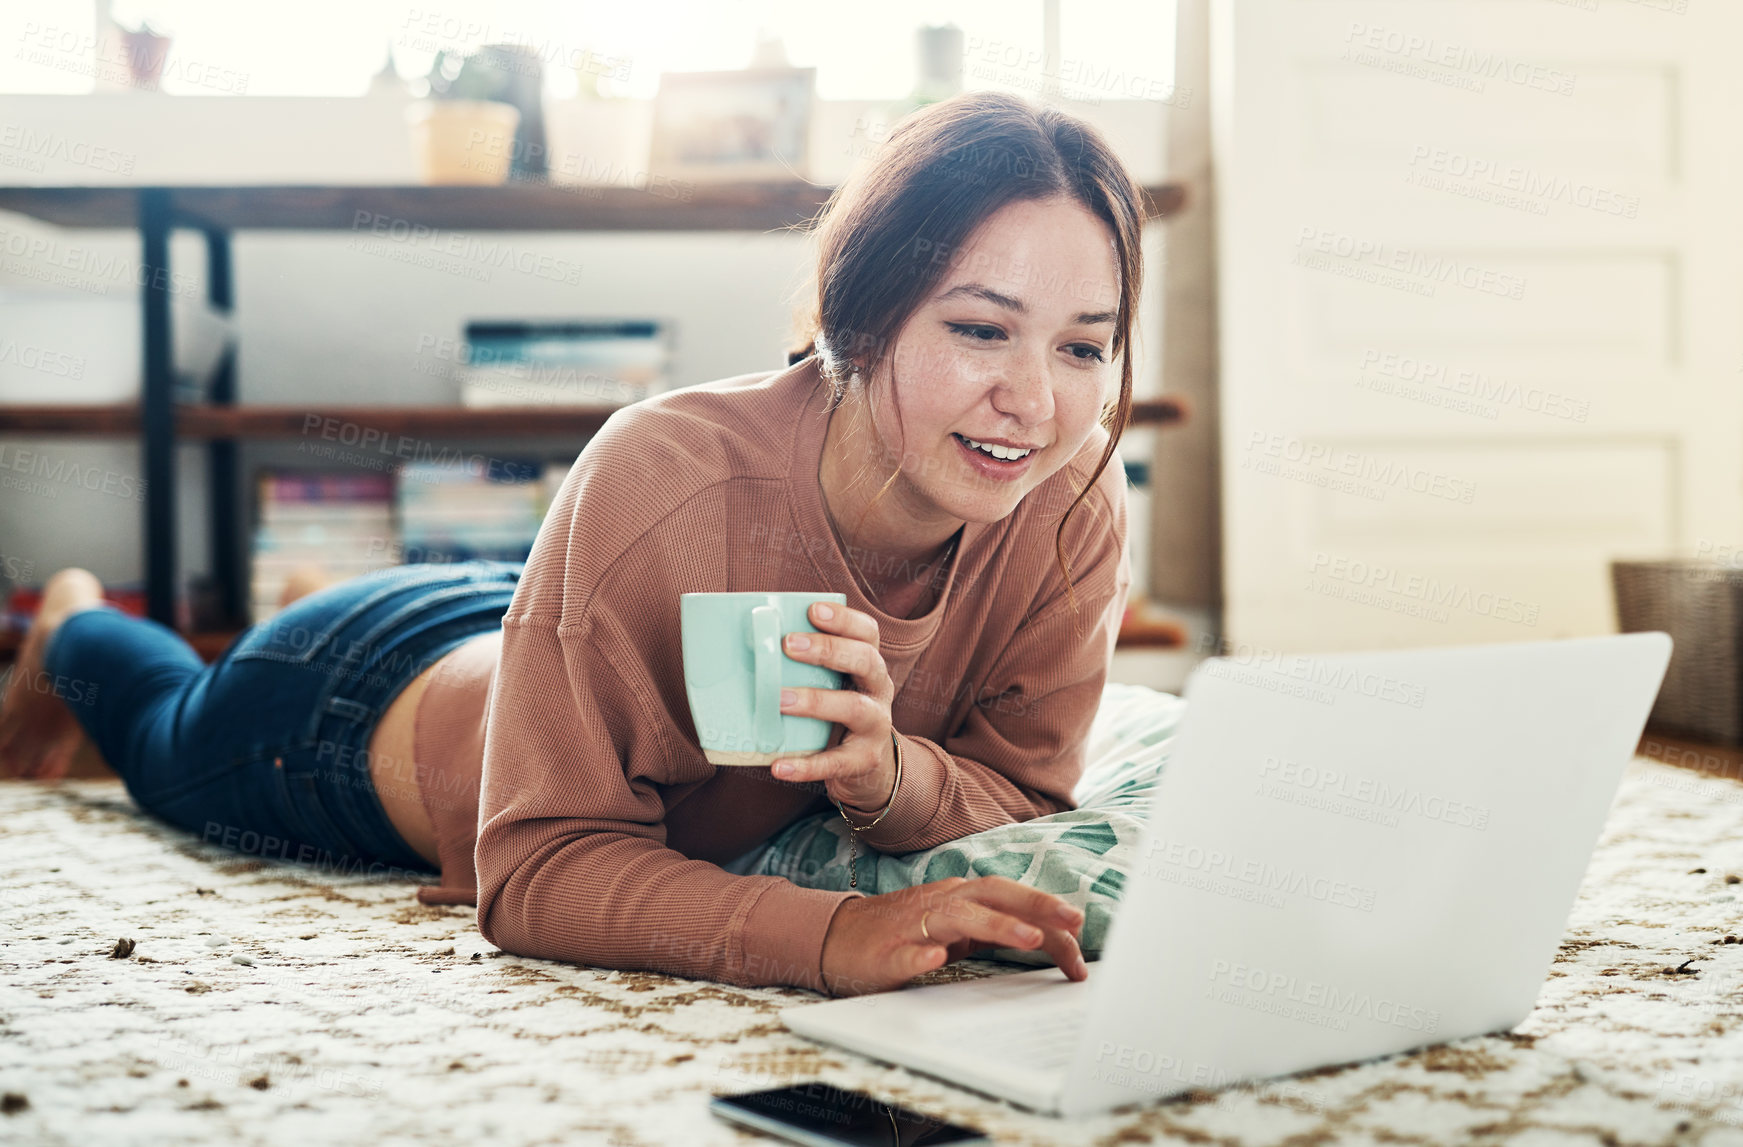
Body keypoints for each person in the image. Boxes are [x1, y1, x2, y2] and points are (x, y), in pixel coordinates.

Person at [0, 90, 1143, 998]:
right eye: (981, 329)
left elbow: (1024, 791)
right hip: (353, 705)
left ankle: (333, 590)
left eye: (1084, 348)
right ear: (858, 317)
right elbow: (538, 871)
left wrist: (891, 775)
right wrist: (837, 931)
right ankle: (74, 618)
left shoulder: (1070, 497)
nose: (1034, 403)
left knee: (548, 630)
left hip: (528, 617)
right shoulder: (665, 467)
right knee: (161, 725)